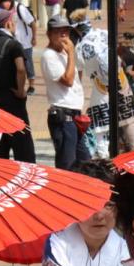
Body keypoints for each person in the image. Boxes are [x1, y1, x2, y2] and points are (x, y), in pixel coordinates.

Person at [73, 10, 134, 158]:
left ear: (77, 30)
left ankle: (108, 161)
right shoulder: (104, 33)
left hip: (101, 91)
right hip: (121, 84)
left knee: (102, 130)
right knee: (129, 124)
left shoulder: (79, 49)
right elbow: (121, 51)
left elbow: (78, 77)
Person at [0, 10, 36, 163]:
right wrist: (20, 90)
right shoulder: (13, 45)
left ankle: (0, 174)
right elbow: (21, 69)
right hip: (13, 99)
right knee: (24, 149)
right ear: (8, 23)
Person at [42, 15, 90, 171]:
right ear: (49, 34)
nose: (64, 35)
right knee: (67, 165)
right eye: (59, 31)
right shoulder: (49, 56)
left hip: (74, 115)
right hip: (63, 117)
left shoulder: (64, 53)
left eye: (66, 31)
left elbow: (77, 78)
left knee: (86, 163)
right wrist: (71, 54)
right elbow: (68, 80)